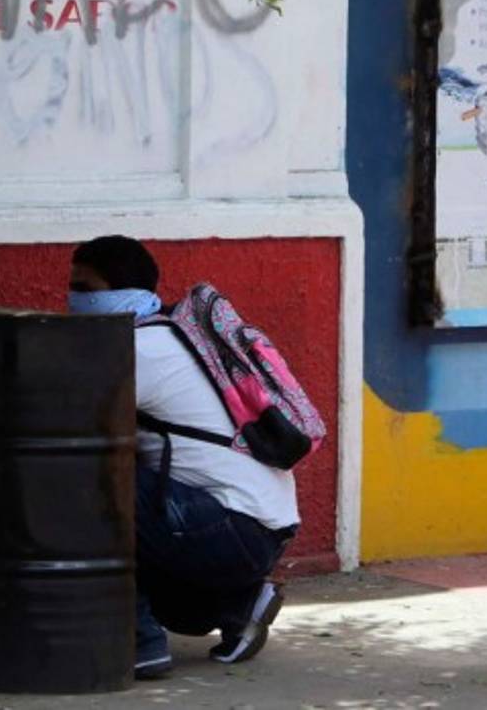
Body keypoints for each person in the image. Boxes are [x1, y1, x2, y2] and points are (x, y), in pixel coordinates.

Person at [68, 235, 300, 678]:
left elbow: (61, 424)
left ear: (122, 293)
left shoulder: (138, 351)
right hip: (255, 528)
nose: (73, 301)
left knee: (85, 478)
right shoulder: (173, 335)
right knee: (181, 611)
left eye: (86, 290)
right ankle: (240, 604)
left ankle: (140, 643)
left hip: (226, 525)